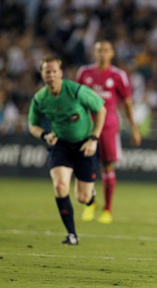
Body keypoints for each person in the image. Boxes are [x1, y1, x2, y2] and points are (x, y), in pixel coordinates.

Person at [28, 56, 107, 245]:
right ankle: (72, 235)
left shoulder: (75, 90)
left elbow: (101, 109)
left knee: (83, 197)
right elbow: (32, 125)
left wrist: (94, 139)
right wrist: (45, 135)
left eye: (55, 71)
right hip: (60, 145)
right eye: (48, 71)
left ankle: (91, 197)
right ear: (43, 74)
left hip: (85, 145)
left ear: (61, 73)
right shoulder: (40, 98)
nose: (52, 75)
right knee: (60, 186)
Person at [75, 40, 141, 224]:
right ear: (94, 53)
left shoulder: (118, 75)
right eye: (99, 50)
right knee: (84, 165)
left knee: (107, 167)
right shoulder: (84, 73)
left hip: (109, 127)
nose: (102, 53)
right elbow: (75, 99)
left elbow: (127, 103)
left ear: (112, 53)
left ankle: (107, 210)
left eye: (106, 50)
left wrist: (134, 129)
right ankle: (90, 203)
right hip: (86, 127)